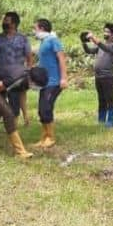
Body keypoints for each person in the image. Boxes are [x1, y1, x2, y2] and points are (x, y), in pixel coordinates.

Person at [0, 12, 33, 132]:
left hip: (16, 76)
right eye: (4, 20)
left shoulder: (22, 39)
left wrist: (28, 72)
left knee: (14, 101)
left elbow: (29, 57)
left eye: (7, 21)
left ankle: (13, 128)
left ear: (14, 23)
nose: (4, 23)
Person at [33, 18, 67, 148]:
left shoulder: (53, 40)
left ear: (42, 28)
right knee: (41, 111)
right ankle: (44, 137)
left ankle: (51, 137)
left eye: (35, 28)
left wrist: (63, 78)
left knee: (46, 109)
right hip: (44, 82)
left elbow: (62, 59)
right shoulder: (44, 42)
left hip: (54, 82)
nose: (34, 31)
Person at [82, 23, 113, 128]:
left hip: (108, 77)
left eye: (107, 32)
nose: (105, 33)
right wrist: (84, 42)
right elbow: (89, 51)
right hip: (98, 77)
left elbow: (104, 47)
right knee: (101, 99)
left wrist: (93, 38)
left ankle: (110, 121)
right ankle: (101, 120)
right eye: (104, 31)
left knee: (109, 99)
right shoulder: (100, 45)